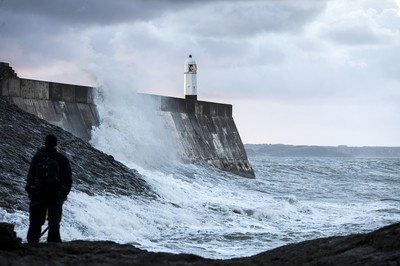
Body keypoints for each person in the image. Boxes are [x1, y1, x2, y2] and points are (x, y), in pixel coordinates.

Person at [25, 134, 72, 243]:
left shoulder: (37, 157)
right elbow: (68, 179)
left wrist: (30, 190)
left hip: (38, 193)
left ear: (45, 143)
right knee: (54, 221)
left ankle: (32, 241)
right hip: (55, 194)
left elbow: (30, 176)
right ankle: (53, 243)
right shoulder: (62, 158)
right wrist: (64, 194)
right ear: (56, 145)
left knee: (35, 220)